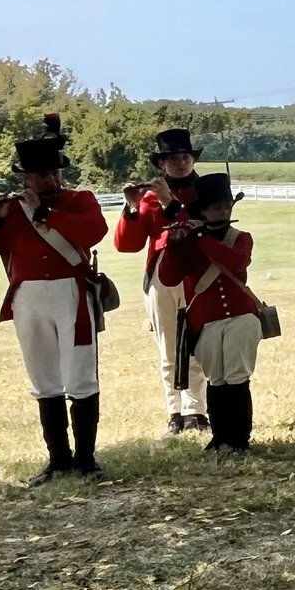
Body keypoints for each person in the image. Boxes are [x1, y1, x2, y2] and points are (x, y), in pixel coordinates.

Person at [0, 119, 111, 484]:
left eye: (53, 172)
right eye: (39, 174)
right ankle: (58, 459)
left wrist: (45, 214)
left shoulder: (79, 200)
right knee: (44, 378)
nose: (48, 180)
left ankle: (86, 459)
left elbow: (94, 231)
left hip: (71, 293)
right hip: (27, 297)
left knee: (80, 375)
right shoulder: (10, 210)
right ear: (26, 177)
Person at [111, 127, 208, 435]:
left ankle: (197, 410)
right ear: (162, 164)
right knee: (168, 347)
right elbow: (127, 245)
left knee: (196, 345)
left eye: (185, 157)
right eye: (173, 159)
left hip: (196, 271)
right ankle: (175, 412)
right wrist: (131, 207)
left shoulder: (206, 190)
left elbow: (204, 226)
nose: (181, 163)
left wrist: (169, 202)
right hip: (161, 274)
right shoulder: (149, 198)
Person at [157, 173, 262, 453]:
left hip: (241, 316)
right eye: (217, 207)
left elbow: (236, 262)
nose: (224, 211)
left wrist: (200, 235)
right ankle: (220, 437)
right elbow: (169, 277)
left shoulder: (240, 238)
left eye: (226, 206)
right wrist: (175, 244)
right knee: (216, 380)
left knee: (237, 378)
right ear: (203, 211)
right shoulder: (191, 241)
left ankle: (240, 438)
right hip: (205, 319)